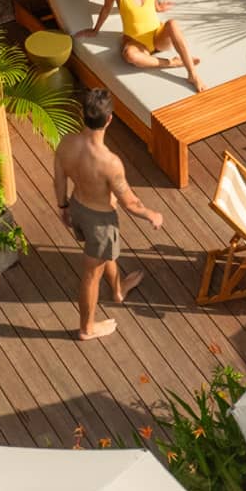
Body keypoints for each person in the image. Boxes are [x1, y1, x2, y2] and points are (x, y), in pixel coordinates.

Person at [53, 87, 163, 341]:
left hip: (77, 206)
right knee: (92, 275)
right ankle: (87, 329)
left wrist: (63, 207)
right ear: (110, 119)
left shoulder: (66, 143)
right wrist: (152, 215)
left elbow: (58, 178)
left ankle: (118, 290)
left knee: (103, 256)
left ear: (83, 115)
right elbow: (130, 203)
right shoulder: (109, 162)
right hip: (101, 223)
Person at [88, 0, 205, 93]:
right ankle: (172, 63)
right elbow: (106, 8)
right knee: (130, 55)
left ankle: (193, 74)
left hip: (158, 36)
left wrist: (158, 7)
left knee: (173, 24)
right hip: (135, 42)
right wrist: (95, 30)